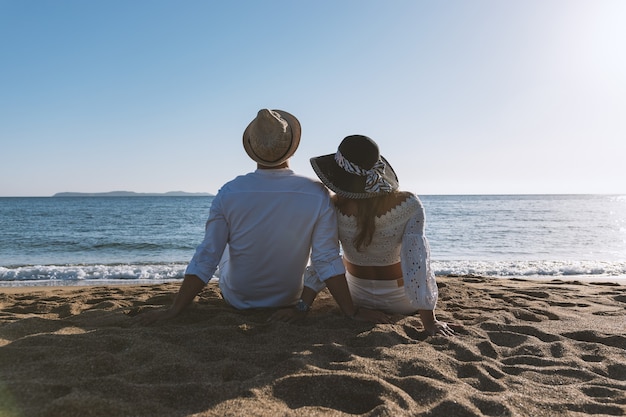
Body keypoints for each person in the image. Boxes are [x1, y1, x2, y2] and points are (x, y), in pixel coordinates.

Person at [139, 110, 387, 325]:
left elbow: (207, 256)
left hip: (238, 299)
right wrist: (350, 312)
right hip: (289, 297)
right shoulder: (316, 192)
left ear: (253, 149)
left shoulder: (229, 192)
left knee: (221, 247)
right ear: (291, 146)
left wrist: (175, 309)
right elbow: (326, 259)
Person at [300, 134, 453, 336]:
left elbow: (324, 258)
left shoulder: (333, 206)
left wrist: (303, 305)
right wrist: (429, 322)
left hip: (354, 297)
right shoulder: (409, 205)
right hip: (402, 300)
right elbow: (417, 264)